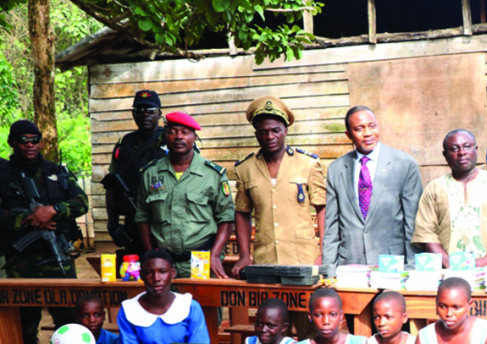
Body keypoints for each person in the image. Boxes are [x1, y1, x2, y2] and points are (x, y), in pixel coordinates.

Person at [0, 120, 89, 344]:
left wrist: (53, 211)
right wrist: (28, 220)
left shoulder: (56, 171)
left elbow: (81, 202)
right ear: (12, 143)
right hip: (21, 263)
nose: (30, 144)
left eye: (34, 139)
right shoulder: (3, 173)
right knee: (24, 327)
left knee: (70, 322)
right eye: (23, 140)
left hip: (58, 260)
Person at [231, 96, 326, 277]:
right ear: (256, 134)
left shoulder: (308, 164)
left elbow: (323, 209)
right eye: (263, 132)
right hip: (265, 259)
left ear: (286, 130)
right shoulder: (245, 168)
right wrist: (244, 255)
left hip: (304, 258)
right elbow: (242, 212)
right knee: (269, 306)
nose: (270, 137)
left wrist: (324, 253)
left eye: (276, 130)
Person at [135, 112, 235, 279]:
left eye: (185, 132)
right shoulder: (151, 173)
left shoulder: (212, 174)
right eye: (173, 131)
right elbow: (143, 216)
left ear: (194, 137)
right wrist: (151, 254)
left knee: (202, 304)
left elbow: (226, 217)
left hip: (202, 258)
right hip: (164, 262)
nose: (178, 137)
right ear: (165, 136)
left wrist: (215, 255)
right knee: (164, 305)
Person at [322, 106, 423, 270]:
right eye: (359, 129)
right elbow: (331, 228)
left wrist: (412, 268)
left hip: (392, 264)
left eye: (372, 126)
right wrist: (329, 271)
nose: (368, 133)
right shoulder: (337, 169)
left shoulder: (404, 164)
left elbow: (413, 224)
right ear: (348, 135)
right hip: (350, 265)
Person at [412, 129, 487, 268]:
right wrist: (448, 263)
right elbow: (426, 233)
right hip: (449, 272)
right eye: (454, 149)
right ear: (445, 155)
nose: (461, 152)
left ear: (476, 149)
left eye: (467, 146)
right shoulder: (434, 188)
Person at [104, 90, 168, 257]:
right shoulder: (125, 143)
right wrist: (113, 224)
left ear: (160, 113)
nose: (145, 115)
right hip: (133, 220)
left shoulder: (170, 140)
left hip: (165, 219)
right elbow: (111, 185)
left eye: (151, 110)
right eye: (139, 110)